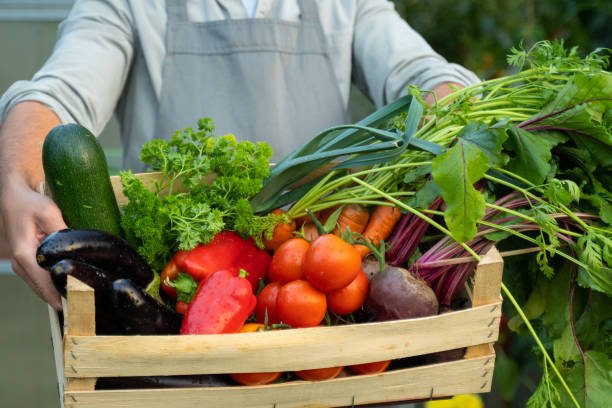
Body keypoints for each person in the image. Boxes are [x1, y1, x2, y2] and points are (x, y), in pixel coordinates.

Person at [0, 0, 480, 310]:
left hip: (315, 294)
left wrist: (457, 112)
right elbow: (56, 95)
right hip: (174, 300)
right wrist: (18, 184)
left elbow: (420, 74)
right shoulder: (128, 6)